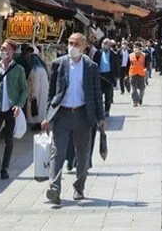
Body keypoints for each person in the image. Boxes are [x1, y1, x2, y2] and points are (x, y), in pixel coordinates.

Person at [41, 33, 107, 204]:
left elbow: (96, 94)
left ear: (84, 46)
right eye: (70, 43)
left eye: (76, 44)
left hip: (83, 115)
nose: (72, 47)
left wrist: (101, 117)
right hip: (62, 114)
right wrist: (47, 116)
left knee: (83, 154)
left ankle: (79, 187)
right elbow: (51, 93)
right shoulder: (59, 64)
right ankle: (54, 189)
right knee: (57, 152)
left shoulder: (91, 66)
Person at [0, 40, 27, 179]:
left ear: (12, 52)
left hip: (11, 108)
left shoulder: (19, 69)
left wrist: (19, 105)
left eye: (5, 48)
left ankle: (5, 167)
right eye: (2, 48)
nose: (2, 50)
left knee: (9, 139)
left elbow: (24, 90)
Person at [25, 46, 49, 130]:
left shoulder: (34, 70)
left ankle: (38, 124)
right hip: (43, 92)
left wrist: (33, 95)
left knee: (36, 110)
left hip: (37, 93)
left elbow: (35, 84)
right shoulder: (42, 68)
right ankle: (40, 123)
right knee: (41, 109)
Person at [92, 38, 118, 117]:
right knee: (98, 95)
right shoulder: (98, 53)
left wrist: (116, 78)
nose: (104, 44)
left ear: (110, 45)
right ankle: (99, 110)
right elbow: (94, 64)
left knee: (108, 95)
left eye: (106, 43)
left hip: (109, 76)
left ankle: (107, 110)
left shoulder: (113, 54)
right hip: (99, 76)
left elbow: (116, 66)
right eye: (103, 43)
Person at [129, 42, 147, 107]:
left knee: (142, 89)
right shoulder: (130, 55)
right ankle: (135, 102)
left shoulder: (144, 55)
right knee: (134, 89)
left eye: (136, 47)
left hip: (141, 74)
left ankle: (140, 98)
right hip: (133, 74)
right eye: (134, 47)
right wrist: (127, 74)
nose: (135, 48)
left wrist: (146, 69)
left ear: (140, 48)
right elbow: (128, 65)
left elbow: (147, 64)